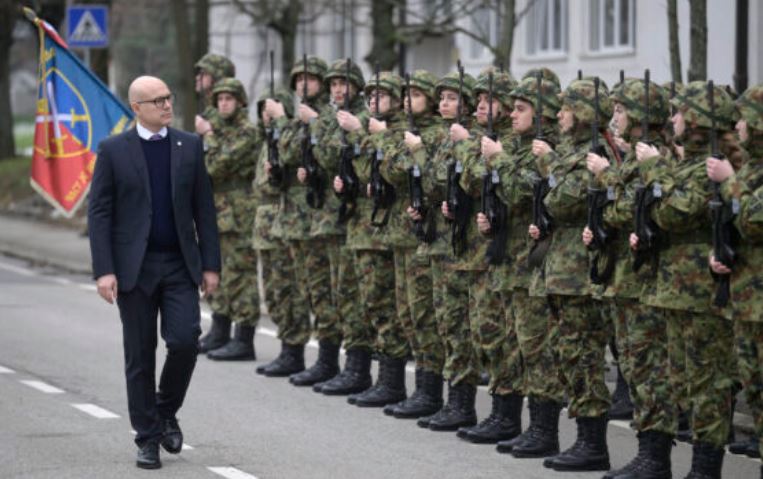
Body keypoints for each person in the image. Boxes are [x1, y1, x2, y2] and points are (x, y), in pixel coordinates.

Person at [88, 75, 221, 469]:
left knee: (185, 341)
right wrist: (104, 270)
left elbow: (204, 209)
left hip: (180, 263)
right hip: (134, 269)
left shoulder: (190, 146)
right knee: (140, 354)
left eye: (169, 97)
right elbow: (99, 213)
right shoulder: (114, 150)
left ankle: (165, 410)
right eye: (157, 100)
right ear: (137, 108)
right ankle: (147, 437)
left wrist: (210, 263)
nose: (167, 105)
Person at [707, 83, 763, 478]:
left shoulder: (744, 173)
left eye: (745, 120)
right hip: (747, 296)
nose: (739, 126)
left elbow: (756, 219)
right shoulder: (752, 168)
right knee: (755, 385)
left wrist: (730, 181)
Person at [203, 78, 261, 361]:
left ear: (240, 102)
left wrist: (209, 136)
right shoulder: (220, 132)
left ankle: (244, 338)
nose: (224, 103)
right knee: (219, 273)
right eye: (220, 99)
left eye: (229, 98)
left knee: (242, 276)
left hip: (239, 214)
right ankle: (220, 330)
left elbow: (215, 165)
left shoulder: (246, 132)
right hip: (217, 212)